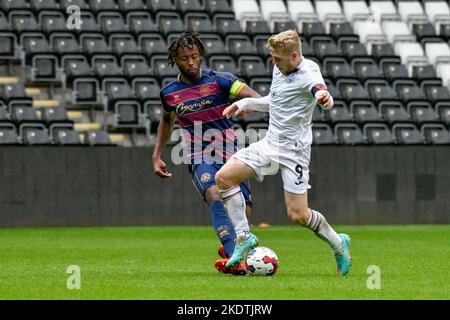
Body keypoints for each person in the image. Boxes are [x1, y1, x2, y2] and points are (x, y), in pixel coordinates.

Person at [214, 30, 352, 276]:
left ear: (294, 55)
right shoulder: (280, 68)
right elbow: (276, 100)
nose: (274, 63)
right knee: (224, 177)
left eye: (278, 58)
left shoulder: (309, 73)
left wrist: (323, 97)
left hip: (294, 152)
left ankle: (338, 243)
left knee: (298, 215)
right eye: (273, 57)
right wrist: (247, 103)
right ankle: (244, 236)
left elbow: (319, 90)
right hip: (270, 143)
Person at [151, 32, 261, 275]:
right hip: (198, 155)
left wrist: (248, 105)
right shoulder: (170, 93)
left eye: (194, 57)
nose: (190, 62)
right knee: (214, 195)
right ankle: (235, 260)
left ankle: (232, 251)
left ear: (200, 55)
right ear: (174, 60)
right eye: (184, 59)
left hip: (231, 153)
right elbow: (167, 122)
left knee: (244, 213)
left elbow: (255, 97)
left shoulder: (221, 81)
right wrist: (157, 155)